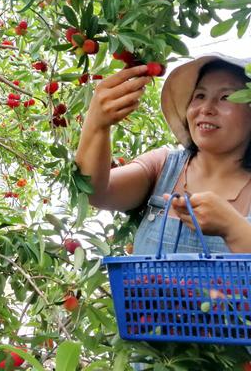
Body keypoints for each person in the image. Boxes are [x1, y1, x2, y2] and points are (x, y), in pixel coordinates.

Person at [75, 53, 251, 256]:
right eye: (200, 95)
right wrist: (96, 124)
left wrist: (233, 228)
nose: (206, 108)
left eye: (225, 97)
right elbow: (94, 192)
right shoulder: (162, 166)